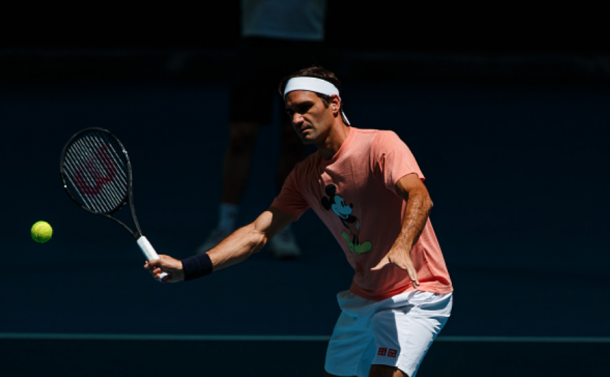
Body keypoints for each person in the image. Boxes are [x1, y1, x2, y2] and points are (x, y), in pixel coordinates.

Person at [147, 66, 453, 377]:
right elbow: (257, 233)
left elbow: (419, 196)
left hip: (417, 292)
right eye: (290, 111)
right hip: (363, 296)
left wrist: (402, 245)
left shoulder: (380, 145)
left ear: (334, 104)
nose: (296, 119)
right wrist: (188, 268)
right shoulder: (305, 175)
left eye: (305, 108)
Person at [197, 0, 328, 259]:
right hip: (257, 38)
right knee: (241, 136)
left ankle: (282, 225)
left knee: (294, 137)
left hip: (305, 37)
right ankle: (224, 226)